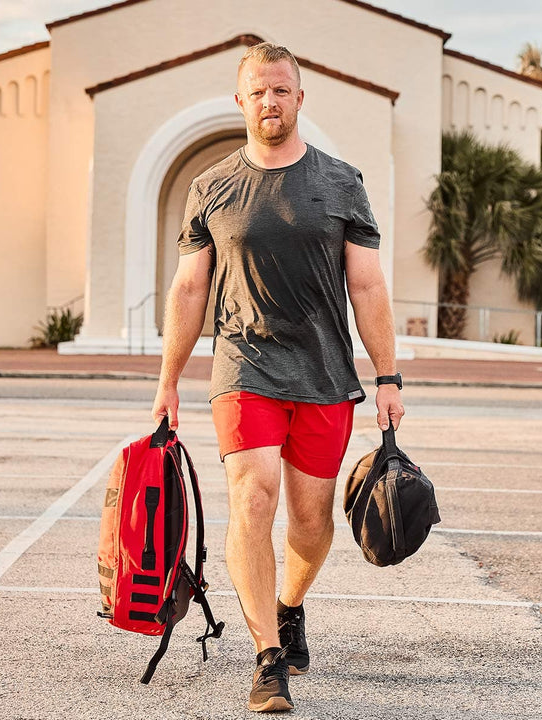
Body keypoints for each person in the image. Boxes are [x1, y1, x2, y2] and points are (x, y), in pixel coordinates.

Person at [151, 41, 404, 713]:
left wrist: (389, 377)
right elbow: (187, 290)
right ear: (242, 101)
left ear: (299, 98)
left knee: (311, 521)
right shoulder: (212, 188)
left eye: (281, 90)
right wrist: (169, 380)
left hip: (324, 373)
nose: (270, 100)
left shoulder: (342, 182)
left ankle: (290, 606)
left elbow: (369, 287)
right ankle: (268, 658)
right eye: (258, 90)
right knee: (254, 494)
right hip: (243, 366)